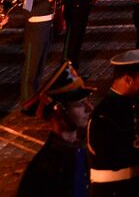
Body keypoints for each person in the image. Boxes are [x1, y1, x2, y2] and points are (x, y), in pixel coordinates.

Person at [87, 48, 139, 196]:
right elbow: (122, 153)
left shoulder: (131, 103)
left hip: (134, 185)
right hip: (113, 190)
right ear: (128, 79)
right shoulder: (105, 115)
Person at [18, 61, 94, 197]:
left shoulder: (83, 150)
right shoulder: (45, 170)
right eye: (80, 104)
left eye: (87, 101)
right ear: (59, 110)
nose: (90, 108)